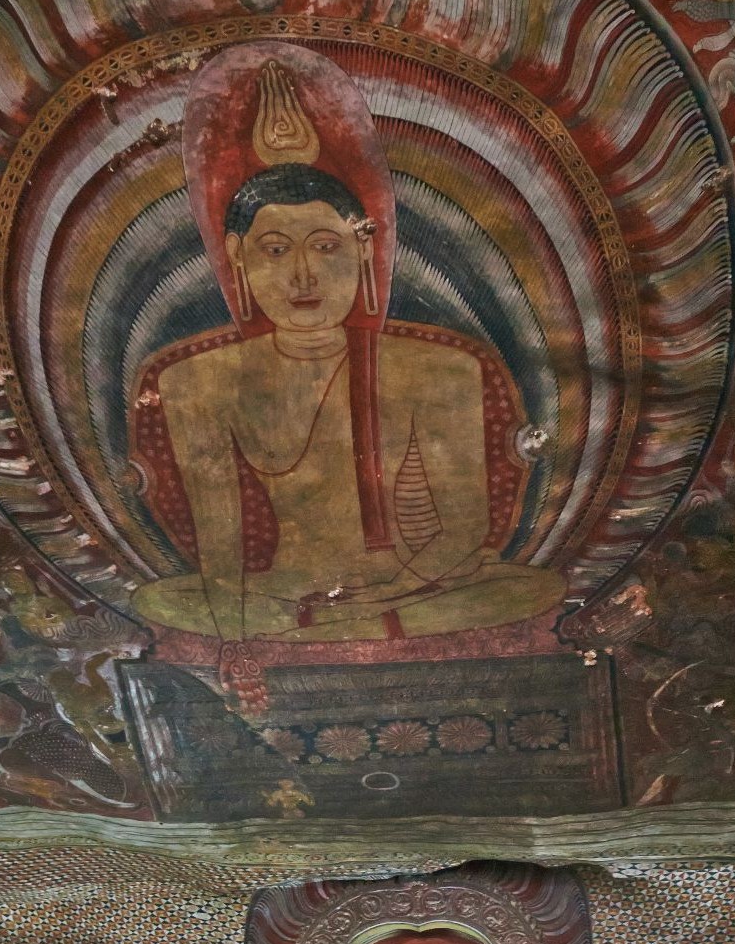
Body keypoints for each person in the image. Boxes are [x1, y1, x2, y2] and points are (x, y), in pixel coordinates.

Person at [130, 46, 564, 645]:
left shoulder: (440, 368)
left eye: (326, 247)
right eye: (276, 250)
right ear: (237, 259)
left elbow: (463, 533)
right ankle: (333, 627)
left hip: (415, 586)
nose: (303, 277)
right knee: (159, 595)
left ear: (364, 248)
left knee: (531, 587)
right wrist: (235, 638)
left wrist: (382, 596)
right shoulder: (193, 383)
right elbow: (220, 554)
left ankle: (344, 625)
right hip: (284, 591)